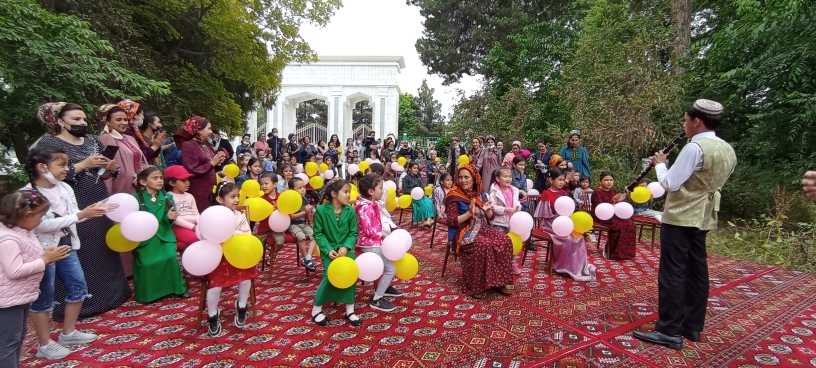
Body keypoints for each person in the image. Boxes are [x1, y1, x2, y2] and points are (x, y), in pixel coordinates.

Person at [634, 99, 737, 349]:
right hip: (704, 217)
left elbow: (670, 184)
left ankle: (669, 330)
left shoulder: (694, 148)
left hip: (681, 216)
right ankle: (692, 326)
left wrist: (660, 166)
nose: (684, 125)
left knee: (673, 271)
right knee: (697, 271)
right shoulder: (727, 149)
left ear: (696, 121)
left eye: (685, 120)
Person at [34, 102, 131, 319]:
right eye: (76, 119)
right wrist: (83, 164)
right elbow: (46, 176)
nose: (82, 123)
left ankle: (113, 295)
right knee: (81, 247)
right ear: (60, 121)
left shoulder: (92, 141)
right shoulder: (49, 143)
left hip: (96, 193)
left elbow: (101, 175)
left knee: (102, 243)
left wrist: (109, 169)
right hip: (69, 199)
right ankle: (83, 302)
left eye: (84, 119)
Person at [24, 148, 115, 359]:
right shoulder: (29, 194)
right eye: (62, 165)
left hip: (67, 245)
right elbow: (41, 225)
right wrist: (81, 214)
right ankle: (45, 344)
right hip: (44, 251)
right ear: (42, 167)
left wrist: (91, 211)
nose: (67, 169)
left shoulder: (64, 187)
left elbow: (73, 217)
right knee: (44, 297)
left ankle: (69, 332)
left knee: (78, 287)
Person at [0, 191, 71, 368]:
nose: (41, 220)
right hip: (7, 299)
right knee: (8, 342)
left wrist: (45, 255)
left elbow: (27, 257)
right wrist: (45, 260)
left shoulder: (23, 231)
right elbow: (14, 271)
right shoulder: (8, 238)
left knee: (18, 336)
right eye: (40, 216)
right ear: (27, 215)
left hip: (20, 295)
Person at [445, 164, 514, 299]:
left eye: (467, 177)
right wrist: (469, 213)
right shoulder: (453, 196)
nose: (463, 180)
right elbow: (451, 221)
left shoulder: (480, 194)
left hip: (482, 227)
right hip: (463, 231)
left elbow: (490, 217)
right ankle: (475, 285)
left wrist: (486, 209)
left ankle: (499, 282)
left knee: (505, 240)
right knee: (484, 245)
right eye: (460, 177)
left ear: (474, 178)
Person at [203, 181, 256, 336]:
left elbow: (248, 235)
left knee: (246, 277)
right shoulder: (211, 215)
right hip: (218, 257)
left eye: (237, 196)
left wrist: (235, 233)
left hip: (238, 255)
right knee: (216, 285)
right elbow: (203, 236)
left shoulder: (239, 215)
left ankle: (242, 305)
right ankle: (212, 314)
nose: (236, 199)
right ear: (220, 200)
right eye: (232, 196)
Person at [131, 166, 187, 302]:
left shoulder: (167, 197)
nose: (159, 181)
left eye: (161, 178)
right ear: (144, 182)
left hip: (164, 235)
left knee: (170, 257)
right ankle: (149, 294)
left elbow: (168, 223)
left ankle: (177, 288)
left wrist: (170, 217)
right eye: (155, 178)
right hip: (145, 238)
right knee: (146, 262)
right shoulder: (135, 199)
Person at [311, 180, 360, 326]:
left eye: (349, 191)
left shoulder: (350, 210)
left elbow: (353, 232)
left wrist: (346, 247)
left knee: (350, 273)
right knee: (328, 274)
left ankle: (350, 309)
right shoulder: (321, 210)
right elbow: (318, 234)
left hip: (346, 251)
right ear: (333, 194)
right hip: (329, 251)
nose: (348, 194)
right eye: (345, 191)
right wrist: (327, 249)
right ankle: (316, 309)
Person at [355, 174, 404, 312]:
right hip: (369, 243)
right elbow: (368, 230)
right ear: (371, 191)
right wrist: (384, 235)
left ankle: (385, 286)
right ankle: (376, 298)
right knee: (391, 269)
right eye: (380, 188)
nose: (383, 190)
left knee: (392, 257)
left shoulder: (372, 204)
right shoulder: (365, 207)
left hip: (375, 240)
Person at [538, 168, 597, 282]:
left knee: (578, 236)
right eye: (559, 180)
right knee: (568, 239)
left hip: (564, 222)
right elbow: (544, 214)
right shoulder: (546, 193)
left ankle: (576, 266)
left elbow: (568, 209)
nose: (561, 182)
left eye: (563, 180)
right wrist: (557, 217)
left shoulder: (563, 193)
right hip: (551, 223)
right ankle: (560, 265)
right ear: (551, 180)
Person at [175, 116, 226, 212]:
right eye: (209, 128)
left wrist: (218, 161)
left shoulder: (206, 144)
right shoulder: (189, 145)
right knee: (201, 213)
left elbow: (212, 165)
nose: (211, 132)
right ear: (199, 131)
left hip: (211, 185)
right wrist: (212, 163)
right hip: (198, 187)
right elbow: (190, 169)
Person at [98, 104, 148, 195]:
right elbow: (103, 167)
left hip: (139, 185)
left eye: (125, 120)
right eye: (119, 120)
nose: (124, 123)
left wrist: (142, 175)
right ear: (107, 121)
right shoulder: (106, 138)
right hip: (120, 186)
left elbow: (141, 160)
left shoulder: (130, 138)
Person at [590, 171, 637, 259]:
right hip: (601, 216)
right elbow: (600, 207)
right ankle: (610, 250)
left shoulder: (613, 191)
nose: (609, 182)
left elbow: (616, 206)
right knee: (618, 225)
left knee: (630, 224)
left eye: (611, 180)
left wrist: (619, 200)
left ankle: (625, 253)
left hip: (613, 214)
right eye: (606, 180)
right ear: (600, 181)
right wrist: (613, 200)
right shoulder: (597, 192)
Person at [488, 167, 523, 274]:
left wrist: (517, 207)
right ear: (498, 179)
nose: (508, 179)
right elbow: (492, 206)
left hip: (513, 222)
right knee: (500, 244)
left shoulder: (514, 190)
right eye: (505, 176)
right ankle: (498, 263)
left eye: (509, 176)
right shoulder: (495, 191)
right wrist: (505, 209)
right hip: (500, 222)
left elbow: (516, 202)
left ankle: (511, 262)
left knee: (513, 243)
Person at [165, 166, 199, 251]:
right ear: (172, 183)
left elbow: (196, 213)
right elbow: (175, 219)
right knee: (197, 239)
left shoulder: (190, 196)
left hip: (195, 224)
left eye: (188, 179)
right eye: (183, 180)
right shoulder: (168, 197)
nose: (188, 183)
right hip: (179, 227)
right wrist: (193, 227)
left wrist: (201, 224)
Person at [287, 177, 318, 271]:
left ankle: (308, 257)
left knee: (315, 235)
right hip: (292, 224)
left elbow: (307, 216)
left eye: (303, 187)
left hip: (303, 223)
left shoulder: (304, 199)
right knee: (301, 236)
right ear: (292, 190)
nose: (303, 189)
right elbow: (291, 217)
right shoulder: (290, 200)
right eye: (299, 188)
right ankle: (305, 258)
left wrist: (310, 212)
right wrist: (304, 212)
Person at [403, 162, 435, 228]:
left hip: (420, 196)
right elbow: (405, 189)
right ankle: (430, 220)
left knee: (429, 201)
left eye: (417, 168)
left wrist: (421, 192)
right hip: (411, 196)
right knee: (423, 203)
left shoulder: (418, 177)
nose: (416, 169)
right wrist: (414, 192)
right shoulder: (406, 178)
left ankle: (429, 220)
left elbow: (422, 187)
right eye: (414, 168)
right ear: (409, 169)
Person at [369, 163, 398, 234]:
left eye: (369, 171)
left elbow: (380, 203)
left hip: (379, 212)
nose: (367, 173)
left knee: (385, 230)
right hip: (369, 209)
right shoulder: (370, 183)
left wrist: (369, 203)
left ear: (375, 173)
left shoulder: (384, 187)